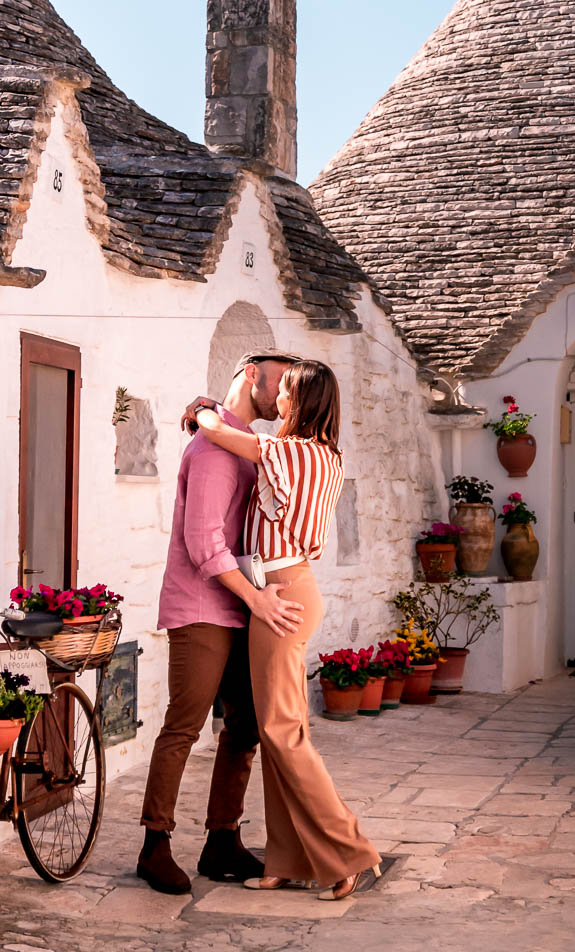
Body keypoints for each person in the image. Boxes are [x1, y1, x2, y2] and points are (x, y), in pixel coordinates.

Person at [193, 360, 381, 902]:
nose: (279, 403)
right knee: (282, 729)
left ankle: (348, 854)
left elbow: (218, 431)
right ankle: (288, 859)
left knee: (283, 733)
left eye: (288, 394)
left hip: (279, 595)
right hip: (293, 586)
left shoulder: (289, 451)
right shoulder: (328, 456)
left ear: (304, 403)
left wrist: (202, 406)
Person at [136, 350, 305, 896]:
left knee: (247, 725)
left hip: (239, 607)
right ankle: (154, 846)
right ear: (251, 374)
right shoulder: (212, 449)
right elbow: (203, 543)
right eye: (281, 383)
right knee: (185, 725)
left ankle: (221, 842)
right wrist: (256, 601)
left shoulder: (240, 443)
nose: (286, 398)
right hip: (203, 608)